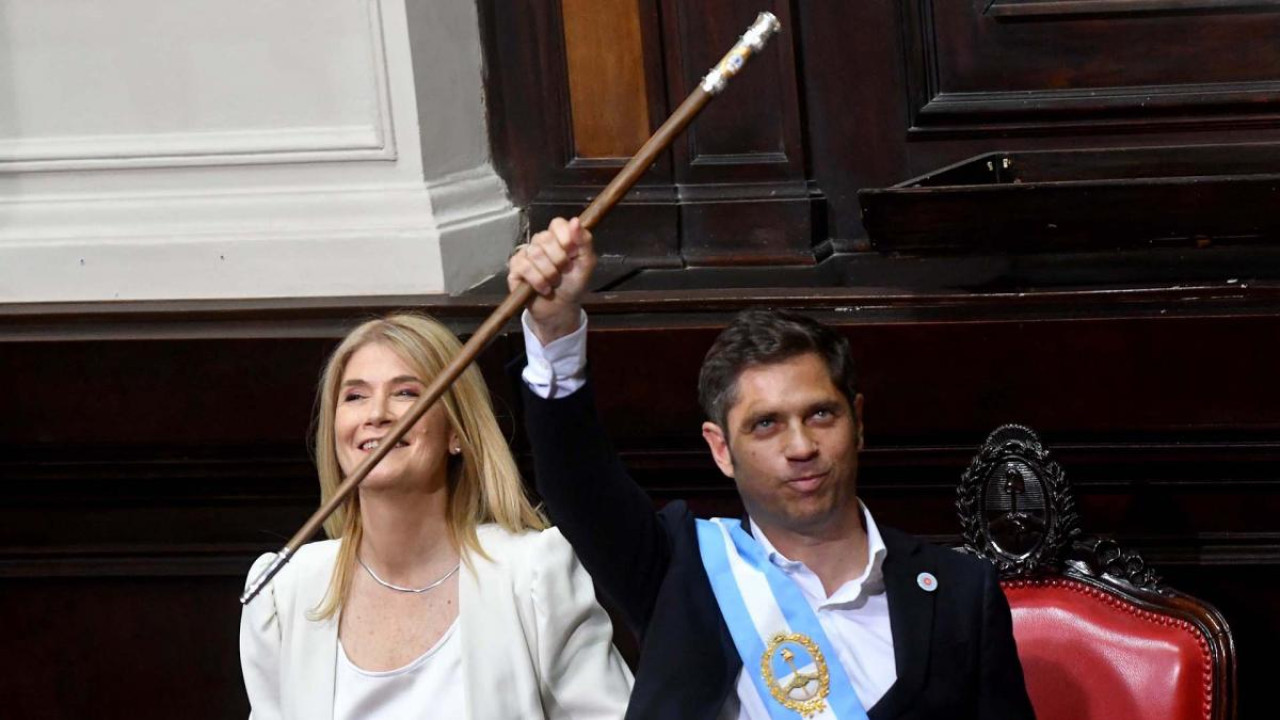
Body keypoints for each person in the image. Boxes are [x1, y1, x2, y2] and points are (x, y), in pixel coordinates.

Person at [507, 218, 1036, 719]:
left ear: (858, 421)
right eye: (766, 425)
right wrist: (555, 332)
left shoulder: (960, 591)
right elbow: (579, 487)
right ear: (720, 450)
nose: (801, 445)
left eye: (821, 414)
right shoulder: (683, 568)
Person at [239, 313, 632, 719]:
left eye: (406, 393)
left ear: (456, 432)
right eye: (355, 396)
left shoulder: (531, 572)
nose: (376, 414)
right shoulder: (283, 590)